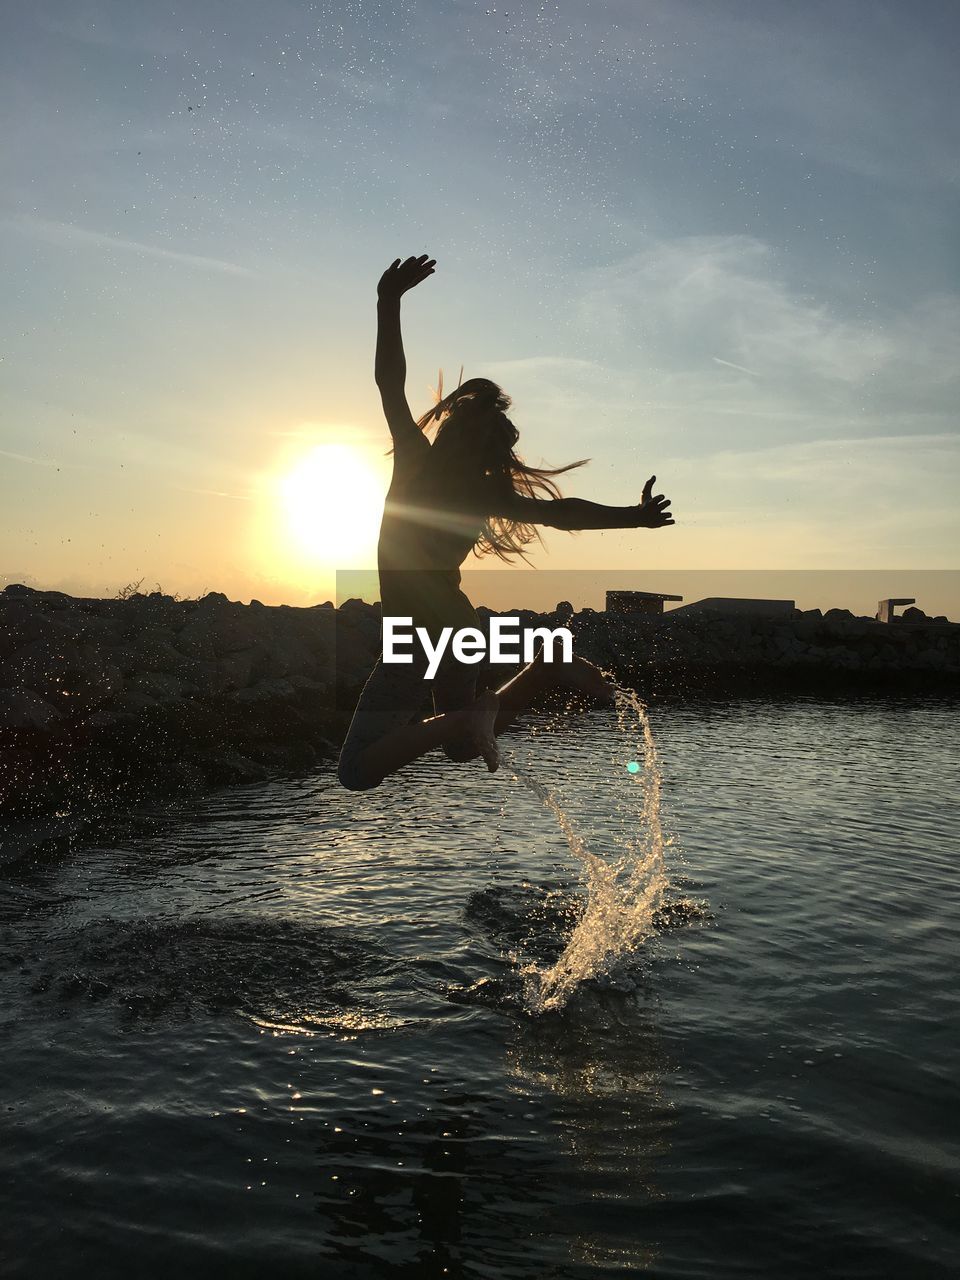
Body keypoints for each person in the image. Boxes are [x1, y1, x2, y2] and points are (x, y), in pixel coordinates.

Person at [337, 254, 675, 791]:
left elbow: (390, 384)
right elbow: (563, 515)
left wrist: (388, 304)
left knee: (356, 772)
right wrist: (634, 518)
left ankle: (488, 706)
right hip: (458, 630)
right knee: (461, 748)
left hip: (417, 636)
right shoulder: (484, 491)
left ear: (449, 431)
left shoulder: (417, 463)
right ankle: (541, 670)